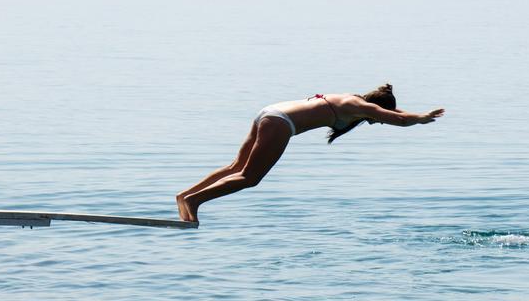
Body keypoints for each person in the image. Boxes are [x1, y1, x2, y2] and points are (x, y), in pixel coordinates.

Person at [176, 84, 444, 222]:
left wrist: (411, 113)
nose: (374, 121)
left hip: (270, 112)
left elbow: (393, 113)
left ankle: (184, 196)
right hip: (282, 123)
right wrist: (421, 118)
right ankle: (195, 201)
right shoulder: (359, 105)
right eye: (375, 117)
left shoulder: (352, 100)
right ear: (375, 107)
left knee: (236, 167)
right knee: (250, 177)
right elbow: (396, 118)